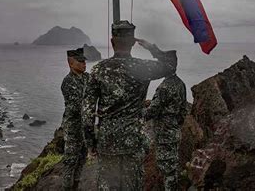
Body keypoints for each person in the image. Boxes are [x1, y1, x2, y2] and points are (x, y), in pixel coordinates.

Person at [82, 20, 176, 190]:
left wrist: (91, 144)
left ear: (112, 42)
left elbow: (87, 113)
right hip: (133, 139)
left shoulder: (98, 70)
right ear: (133, 42)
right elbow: (170, 66)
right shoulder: (142, 67)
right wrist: (152, 48)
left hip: (107, 140)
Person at [144, 50, 187, 191]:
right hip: (174, 130)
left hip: (164, 134)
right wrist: (175, 124)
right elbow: (183, 110)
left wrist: (135, 113)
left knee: (166, 168)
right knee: (172, 166)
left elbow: (152, 111)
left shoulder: (164, 87)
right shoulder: (180, 83)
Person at [61, 48, 89, 191]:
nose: (84, 64)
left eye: (85, 61)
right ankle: (67, 188)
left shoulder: (86, 78)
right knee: (70, 161)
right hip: (73, 127)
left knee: (82, 157)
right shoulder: (68, 82)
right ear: (71, 63)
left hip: (84, 126)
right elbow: (76, 106)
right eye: (81, 61)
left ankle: (76, 185)